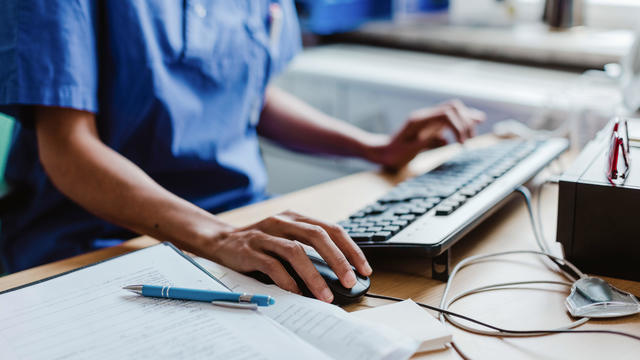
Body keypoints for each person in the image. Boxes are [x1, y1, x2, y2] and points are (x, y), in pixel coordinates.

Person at [0, 1, 484, 302]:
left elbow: (251, 95)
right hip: (99, 243)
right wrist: (218, 238)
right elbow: (67, 146)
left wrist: (375, 148)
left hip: (240, 227)